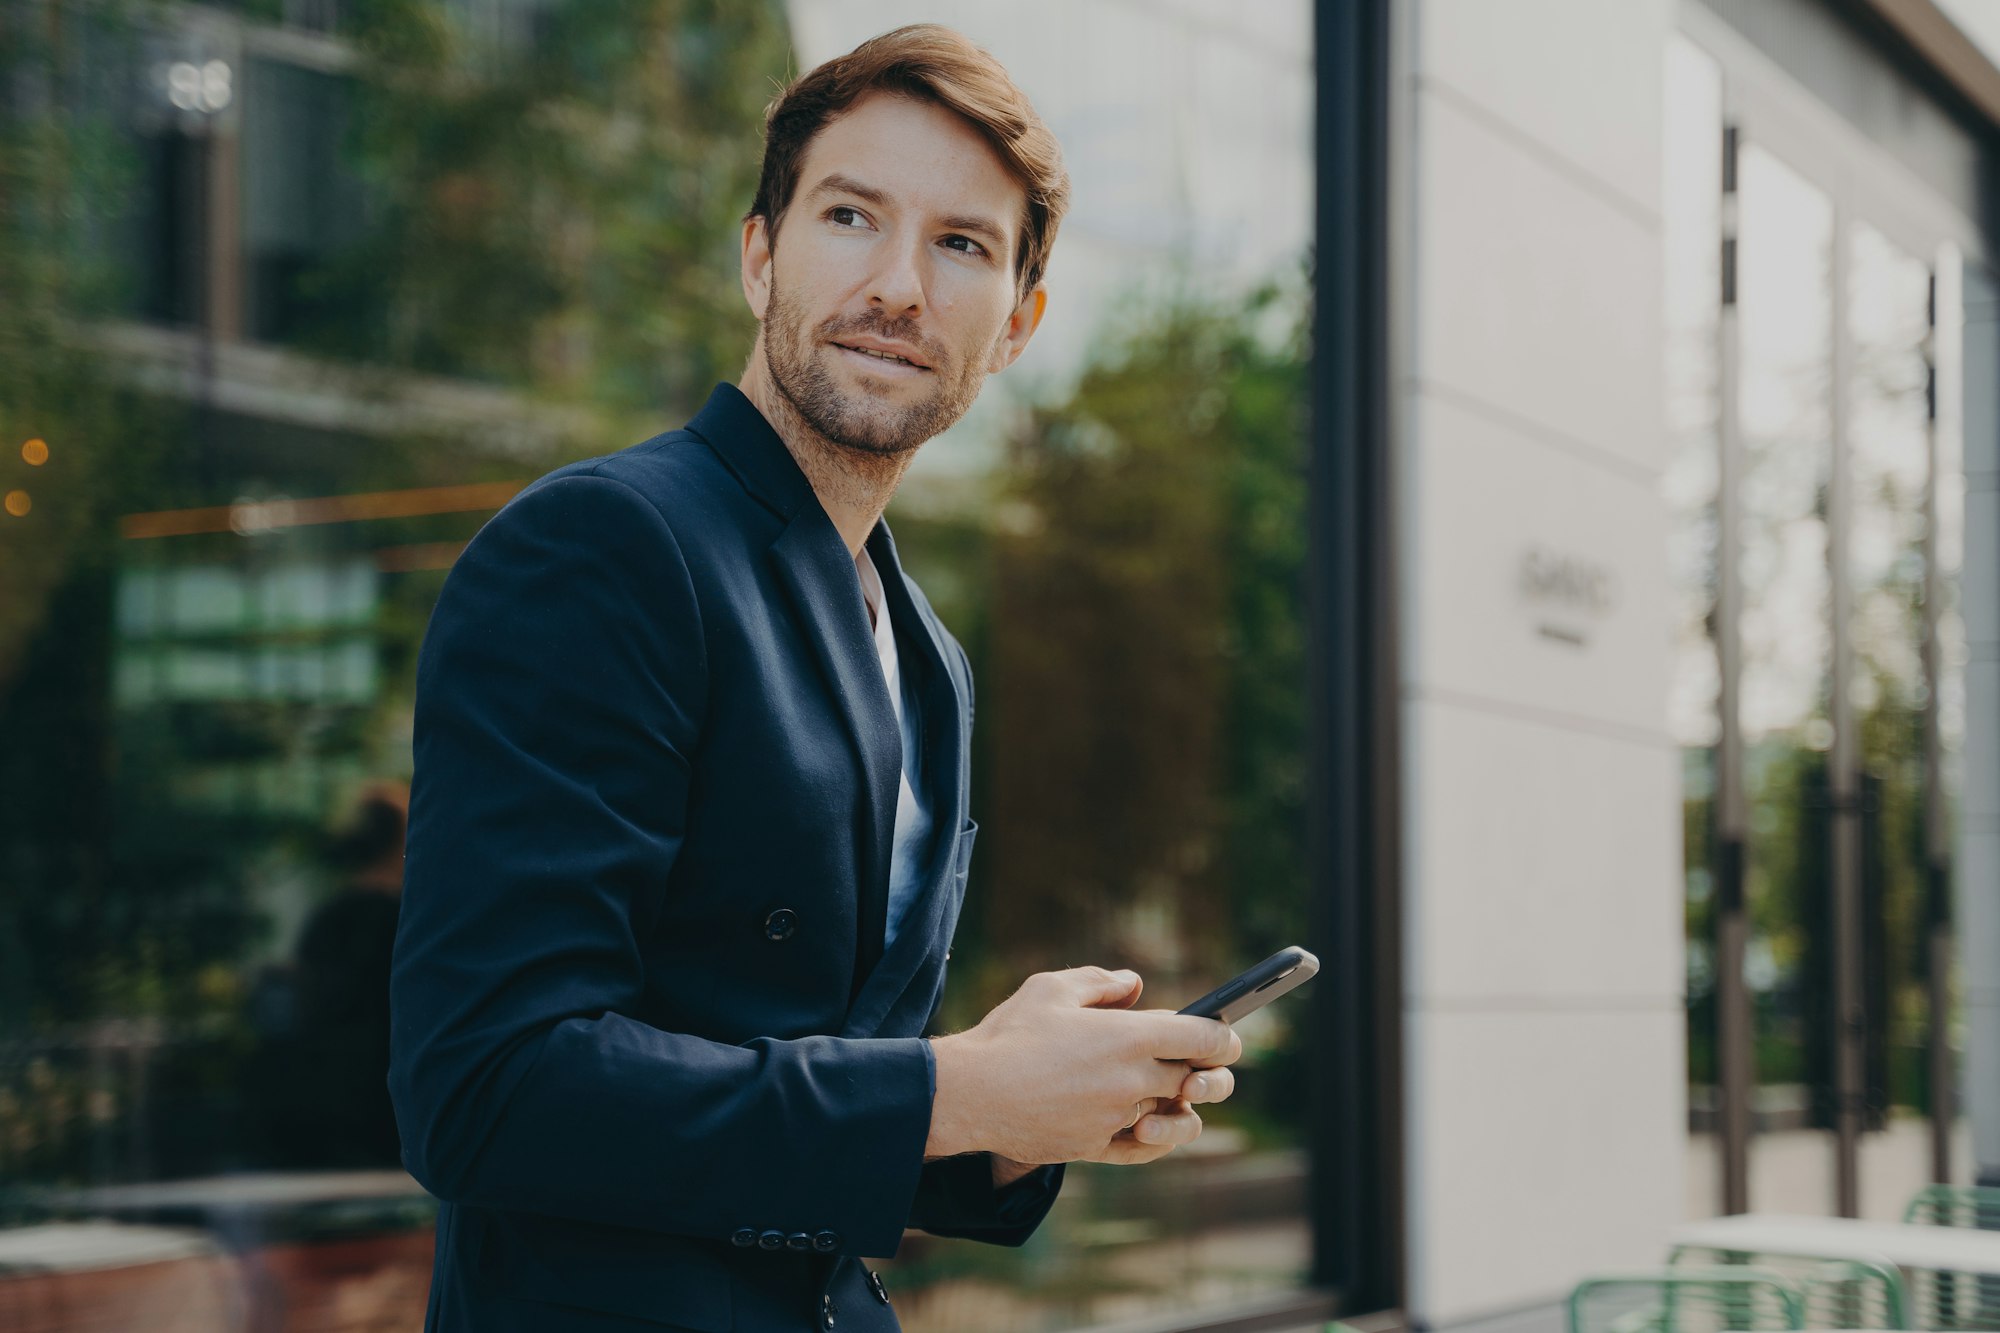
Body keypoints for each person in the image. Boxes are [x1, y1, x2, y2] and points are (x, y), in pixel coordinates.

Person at [388, 24, 1242, 1333]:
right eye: (853, 215)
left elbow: (795, 1083)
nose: (899, 285)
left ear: (1017, 324)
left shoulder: (929, 657)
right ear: (760, 253)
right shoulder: (607, 547)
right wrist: (955, 1085)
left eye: (962, 243)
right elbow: (489, 1085)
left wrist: (1024, 1110)